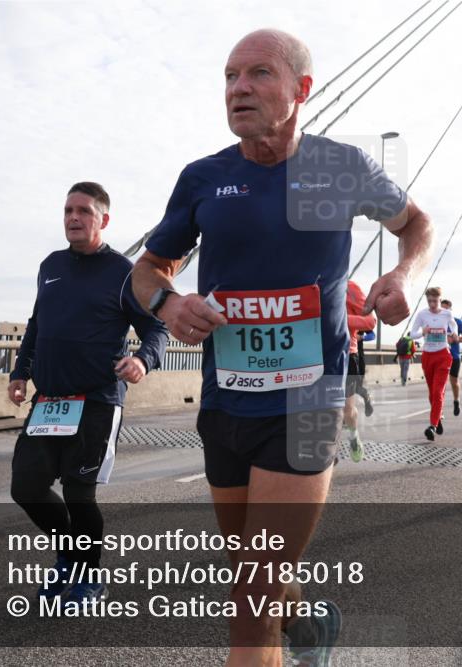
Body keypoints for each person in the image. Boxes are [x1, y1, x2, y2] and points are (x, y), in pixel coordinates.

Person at [131, 28, 433, 667]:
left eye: (259, 74)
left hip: (307, 405)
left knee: (251, 599)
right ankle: (311, 619)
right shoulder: (203, 178)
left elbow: (416, 224)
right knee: (251, 567)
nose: (239, 88)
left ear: (300, 90)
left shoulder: (340, 167)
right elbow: (147, 269)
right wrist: (169, 302)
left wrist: (404, 276)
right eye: (230, 77)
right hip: (225, 403)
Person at [8, 182, 168, 604]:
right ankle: (70, 556)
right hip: (49, 400)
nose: (73, 218)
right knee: (26, 487)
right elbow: (38, 325)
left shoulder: (123, 272)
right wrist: (20, 372)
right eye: (67, 211)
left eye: (83, 211)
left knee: (79, 493)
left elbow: (155, 326)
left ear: (103, 220)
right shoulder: (50, 265)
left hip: (97, 398)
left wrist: (142, 360)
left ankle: (89, 576)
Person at [409, 287, 455, 441]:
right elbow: (412, 334)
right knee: (432, 393)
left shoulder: (447, 314)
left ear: (440, 300)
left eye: (435, 301)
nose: (432, 304)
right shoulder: (422, 314)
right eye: (429, 301)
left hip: (443, 355)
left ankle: (432, 426)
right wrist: (423, 332)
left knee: (437, 392)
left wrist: (452, 333)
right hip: (428, 356)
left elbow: (453, 325)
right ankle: (438, 418)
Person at [344, 280, 376, 463]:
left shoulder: (352, 288)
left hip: (348, 355)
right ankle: (327, 451)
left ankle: (354, 437)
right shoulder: (307, 282)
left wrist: (340, 320)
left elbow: (371, 321)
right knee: (323, 407)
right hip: (318, 355)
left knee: (347, 410)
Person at [439, 299, 462, 416]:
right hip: (440, 355)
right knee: (440, 384)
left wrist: (456, 339)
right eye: (442, 308)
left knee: (454, 381)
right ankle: (439, 411)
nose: (443, 311)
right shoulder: (436, 321)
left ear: (450, 309)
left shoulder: (457, 322)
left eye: (446, 309)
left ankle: (456, 401)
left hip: (454, 356)